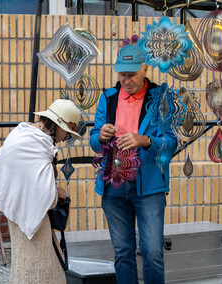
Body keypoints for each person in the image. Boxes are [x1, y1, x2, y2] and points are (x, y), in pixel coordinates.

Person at [89, 44, 178, 284]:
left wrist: (145, 140)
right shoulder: (107, 97)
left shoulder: (161, 97)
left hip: (149, 187)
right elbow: (94, 142)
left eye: (132, 74)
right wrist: (101, 136)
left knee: (152, 252)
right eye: (122, 74)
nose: (126, 80)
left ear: (145, 68)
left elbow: (172, 143)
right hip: (112, 186)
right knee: (123, 252)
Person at [0, 99, 82, 284]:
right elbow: (43, 196)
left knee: (25, 265)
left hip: (19, 211)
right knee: (39, 269)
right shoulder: (36, 144)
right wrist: (56, 192)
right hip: (32, 219)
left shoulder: (24, 134)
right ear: (57, 126)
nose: (65, 138)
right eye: (67, 133)